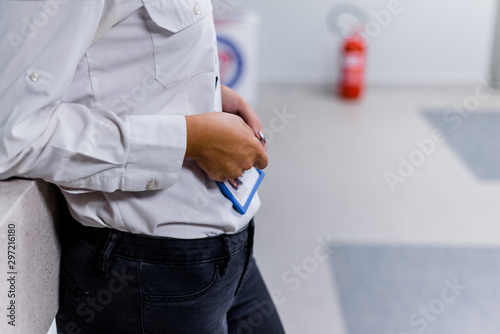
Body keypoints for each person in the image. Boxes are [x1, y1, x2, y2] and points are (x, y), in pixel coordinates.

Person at [0, 1, 285, 333]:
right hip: (149, 274)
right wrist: (188, 139)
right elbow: (11, 134)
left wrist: (196, 89)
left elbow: (114, 48)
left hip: (228, 248)